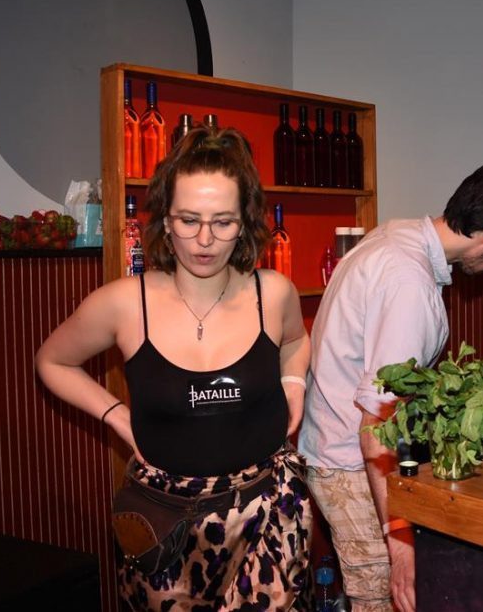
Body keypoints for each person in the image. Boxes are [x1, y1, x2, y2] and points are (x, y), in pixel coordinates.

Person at [36, 126, 312, 610]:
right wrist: (117, 415)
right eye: (189, 220)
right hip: (166, 527)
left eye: (223, 222)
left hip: (267, 514)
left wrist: (293, 380)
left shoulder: (273, 292)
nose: (205, 239)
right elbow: (53, 361)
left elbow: (295, 340)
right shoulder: (124, 304)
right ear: (165, 220)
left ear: (244, 224)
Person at [298, 162, 483, 612]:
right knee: (383, 598)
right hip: (352, 466)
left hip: (334, 448)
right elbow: (376, 425)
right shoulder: (408, 282)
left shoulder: (398, 234)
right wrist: (400, 544)